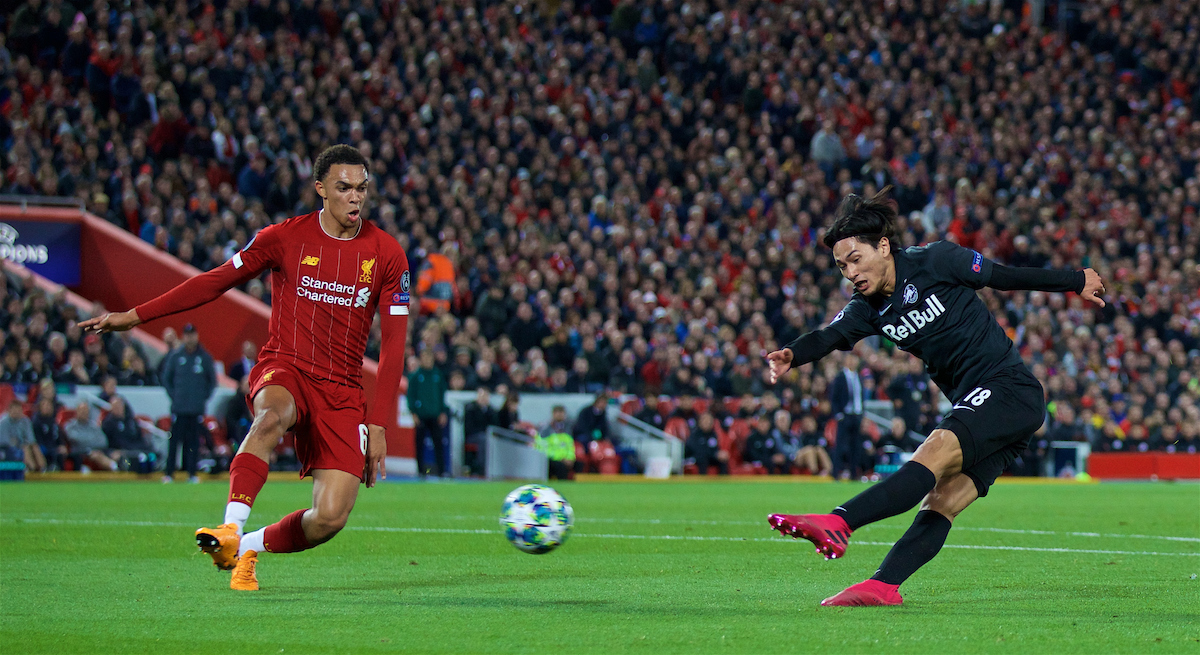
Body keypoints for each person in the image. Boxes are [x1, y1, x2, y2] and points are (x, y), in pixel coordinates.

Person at [80, 145, 411, 592]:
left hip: (342, 388)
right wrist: (135, 316)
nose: (355, 198)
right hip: (287, 367)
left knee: (331, 517)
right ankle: (230, 527)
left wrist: (379, 424)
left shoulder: (388, 255)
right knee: (270, 416)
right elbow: (213, 282)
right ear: (321, 190)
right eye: (344, 188)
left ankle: (247, 547)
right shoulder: (282, 238)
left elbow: (394, 346)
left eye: (362, 189)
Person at [764, 187, 1105, 606]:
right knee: (942, 499)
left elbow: (1004, 277)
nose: (850, 273)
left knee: (934, 450)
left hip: (1008, 388)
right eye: (841, 267)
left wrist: (1076, 280)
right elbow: (829, 336)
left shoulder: (937, 259)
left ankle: (840, 522)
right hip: (992, 408)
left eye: (855, 259)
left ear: (883, 246)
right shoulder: (866, 308)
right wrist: (793, 354)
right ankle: (883, 585)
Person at [160, 324, 216, 484]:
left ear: (196, 336)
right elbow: (166, 378)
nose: (190, 338)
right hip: (179, 408)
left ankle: (191, 473)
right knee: (174, 441)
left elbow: (212, 382)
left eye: (192, 334)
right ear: (183, 336)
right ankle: (169, 473)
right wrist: (175, 396)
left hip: (196, 409)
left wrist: (202, 398)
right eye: (187, 334)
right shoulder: (176, 356)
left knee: (193, 442)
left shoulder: (204, 357)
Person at [407, 347, 449, 477]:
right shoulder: (415, 376)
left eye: (429, 358)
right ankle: (420, 470)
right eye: (425, 357)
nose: (427, 360)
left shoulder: (438, 375)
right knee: (419, 444)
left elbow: (442, 394)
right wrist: (413, 412)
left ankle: (441, 471)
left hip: (435, 415)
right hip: (421, 415)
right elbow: (410, 395)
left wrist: (443, 411)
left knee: (438, 443)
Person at [830, 353, 866, 480]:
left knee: (855, 446)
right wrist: (839, 414)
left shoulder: (859, 377)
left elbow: (861, 397)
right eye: (850, 359)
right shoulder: (840, 377)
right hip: (845, 415)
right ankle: (835, 473)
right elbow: (834, 398)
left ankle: (853, 473)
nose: (852, 362)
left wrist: (862, 414)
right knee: (840, 445)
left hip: (856, 415)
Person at [63, 401, 118, 473]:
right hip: (79, 453)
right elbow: (75, 439)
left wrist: (91, 446)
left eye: (86, 410)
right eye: (81, 410)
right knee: (96, 455)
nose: (84, 412)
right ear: (76, 411)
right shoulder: (70, 426)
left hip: (97, 451)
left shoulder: (94, 426)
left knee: (114, 454)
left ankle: (116, 469)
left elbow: (103, 441)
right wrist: (92, 442)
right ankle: (116, 469)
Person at [462, 386, 499, 477]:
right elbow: (469, 428)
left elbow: (495, 426)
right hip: (473, 436)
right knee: (484, 439)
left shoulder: (491, 411)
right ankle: (482, 468)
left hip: (486, 436)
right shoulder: (471, 409)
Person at [0, 399, 44, 473]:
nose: (16, 412)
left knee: (34, 446)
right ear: (9, 410)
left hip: (22, 444)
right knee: (24, 449)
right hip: (6, 448)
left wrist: (26, 443)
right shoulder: (3, 422)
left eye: (18, 410)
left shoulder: (25, 421)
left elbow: (31, 439)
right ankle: (30, 469)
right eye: (14, 410)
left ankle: (43, 469)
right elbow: (4, 442)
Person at [536, 405, 576, 480]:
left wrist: (570, 458)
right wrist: (561, 459)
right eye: (558, 412)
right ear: (553, 414)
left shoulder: (568, 428)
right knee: (559, 466)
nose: (560, 415)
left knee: (579, 464)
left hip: (565, 459)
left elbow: (570, 446)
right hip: (550, 459)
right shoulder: (546, 430)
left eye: (562, 413)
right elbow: (542, 448)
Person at [684, 410, 728, 475]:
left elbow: (714, 448)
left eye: (709, 420)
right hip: (695, 458)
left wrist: (719, 454)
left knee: (722, 461)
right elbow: (697, 451)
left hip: (710, 456)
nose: (707, 422)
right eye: (704, 420)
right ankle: (702, 482)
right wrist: (715, 455)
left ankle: (724, 482)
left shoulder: (713, 434)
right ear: (699, 422)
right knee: (703, 459)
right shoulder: (695, 435)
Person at [31, 396, 67, 471]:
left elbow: (59, 436)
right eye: (45, 405)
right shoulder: (36, 422)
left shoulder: (54, 422)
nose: (47, 408)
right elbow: (37, 439)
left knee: (75, 456)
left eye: (49, 405)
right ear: (40, 408)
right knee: (56, 455)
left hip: (54, 447)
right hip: (44, 447)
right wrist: (54, 448)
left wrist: (62, 445)